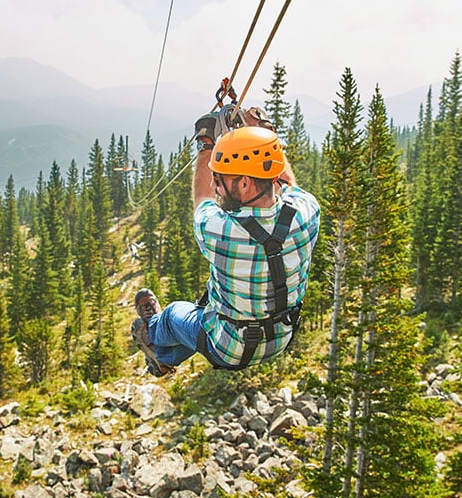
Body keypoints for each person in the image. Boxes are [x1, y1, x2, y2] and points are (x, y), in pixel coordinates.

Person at [131, 107, 320, 374]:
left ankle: (150, 331)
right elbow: (285, 180)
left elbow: (203, 200)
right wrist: (265, 136)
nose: (216, 185)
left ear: (244, 183)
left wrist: (207, 143)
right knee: (201, 318)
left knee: (175, 316)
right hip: (279, 339)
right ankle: (164, 360)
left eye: (219, 178)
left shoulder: (219, 230)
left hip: (228, 347)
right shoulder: (306, 213)